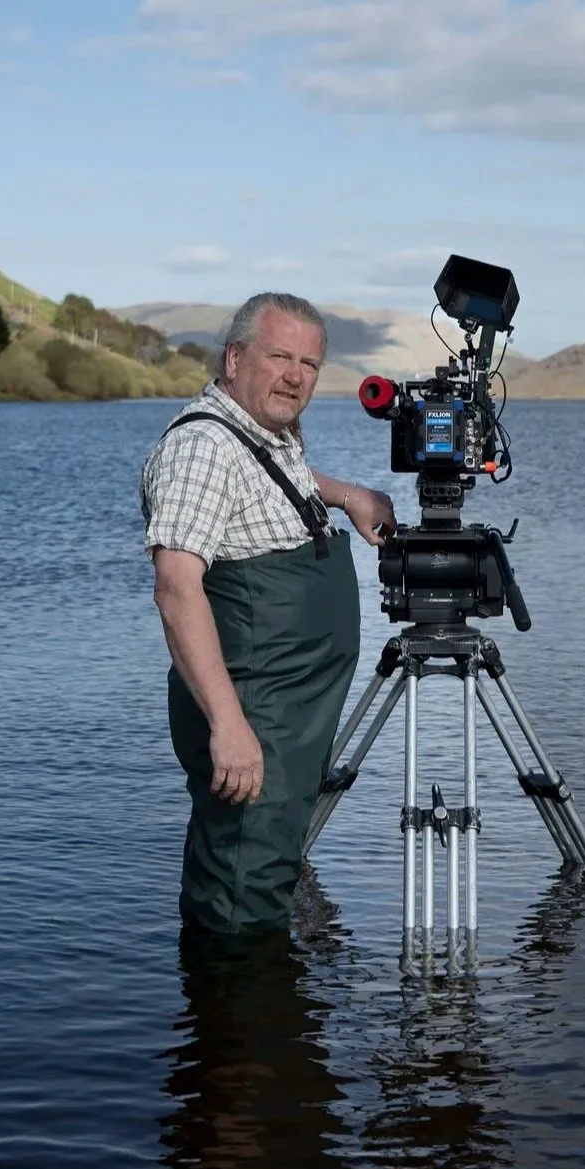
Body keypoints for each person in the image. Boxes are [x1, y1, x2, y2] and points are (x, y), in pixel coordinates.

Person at [141, 292, 397, 935]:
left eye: (309, 364)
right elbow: (176, 587)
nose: (295, 376)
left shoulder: (259, 434)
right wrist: (228, 725)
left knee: (263, 873)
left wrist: (347, 496)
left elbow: (277, 478)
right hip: (254, 715)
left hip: (285, 717)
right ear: (234, 358)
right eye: (279, 356)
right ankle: (235, 1025)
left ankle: (261, 1026)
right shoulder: (203, 445)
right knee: (238, 894)